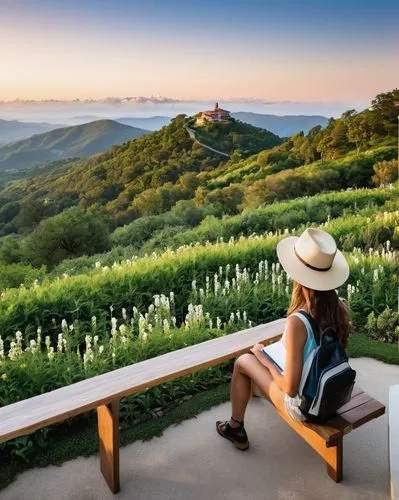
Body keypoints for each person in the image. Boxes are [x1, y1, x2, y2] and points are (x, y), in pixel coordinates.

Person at [216, 227, 351, 450]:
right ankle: (257, 391)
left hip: (306, 406)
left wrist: (263, 359)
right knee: (262, 363)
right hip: (330, 393)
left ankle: (235, 428)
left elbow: (289, 388)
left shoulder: (299, 321)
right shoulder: (337, 305)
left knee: (243, 362)